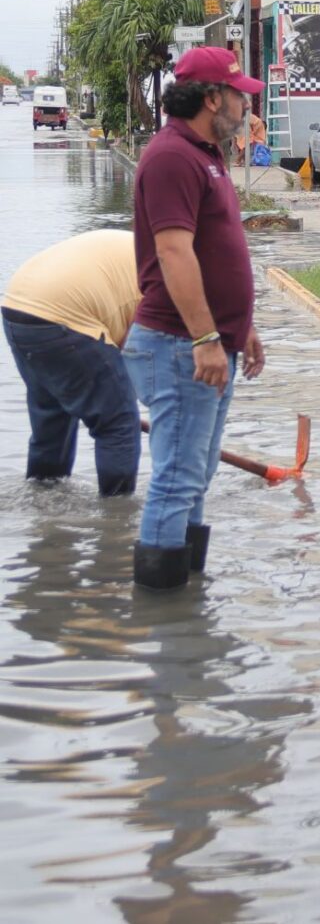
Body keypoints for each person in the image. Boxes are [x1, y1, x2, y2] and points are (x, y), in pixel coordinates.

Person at [122, 47, 266, 592]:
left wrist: (240, 326)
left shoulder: (207, 154)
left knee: (196, 476)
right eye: (239, 95)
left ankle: (189, 607)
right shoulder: (172, 158)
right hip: (176, 345)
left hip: (207, 343)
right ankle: (163, 616)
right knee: (177, 480)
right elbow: (174, 253)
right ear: (212, 98)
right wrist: (207, 337)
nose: (247, 106)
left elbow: (216, 252)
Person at [2, 230, 141, 496]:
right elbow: (138, 344)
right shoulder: (172, 271)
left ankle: (44, 508)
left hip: (18, 307)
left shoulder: (138, 246)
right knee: (118, 423)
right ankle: (117, 521)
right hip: (64, 314)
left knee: (52, 417)